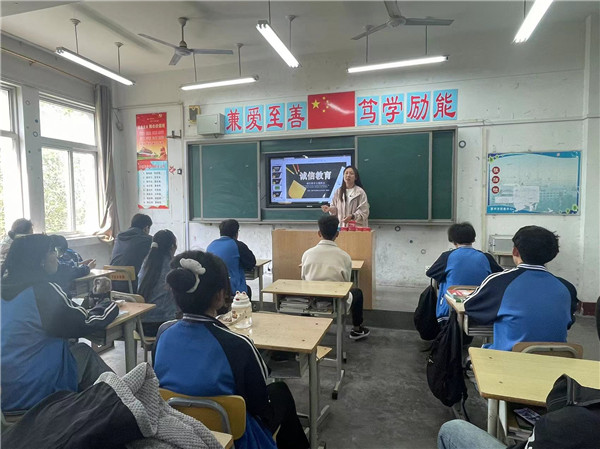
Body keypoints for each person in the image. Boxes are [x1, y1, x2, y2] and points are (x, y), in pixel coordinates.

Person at [154, 251, 309, 449]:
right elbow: (260, 404)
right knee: (280, 392)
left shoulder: (163, 333)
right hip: (234, 437)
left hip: (179, 431)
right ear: (220, 296)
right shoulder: (238, 344)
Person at [1, 234, 118, 412]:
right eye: (52, 251)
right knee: (84, 352)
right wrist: (109, 304)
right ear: (40, 260)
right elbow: (85, 323)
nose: (57, 256)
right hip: (33, 392)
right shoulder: (42, 291)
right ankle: (124, 405)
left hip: (6, 391)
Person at [464, 225, 578, 351]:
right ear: (554, 254)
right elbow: (568, 322)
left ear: (515, 251)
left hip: (508, 358)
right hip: (555, 359)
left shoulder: (500, 281)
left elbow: (471, 308)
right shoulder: (567, 288)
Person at [301, 215, 370, 340]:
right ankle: (357, 329)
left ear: (319, 233)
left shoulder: (307, 254)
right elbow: (346, 283)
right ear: (337, 234)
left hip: (312, 302)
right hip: (336, 303)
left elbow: (303, 279)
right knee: (357, 292)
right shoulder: (344, 257)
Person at [426, 222, 502, 322]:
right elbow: (499, 276)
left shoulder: (447, 257)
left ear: (453, 241)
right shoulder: (486, 257)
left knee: (444, 280)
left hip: (451, 310)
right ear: (473, 239)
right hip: (480, 307)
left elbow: (430, 273)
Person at [137, 229, 179, 337]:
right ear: (172, 247)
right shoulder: (173, 267)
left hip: (141, 327)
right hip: (164, 325)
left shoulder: (146, 264)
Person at [206, 219, 256, 299]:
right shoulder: (238, 245)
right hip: (232, 289)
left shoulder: (211, 245)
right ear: (236, 233)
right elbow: (251, 263)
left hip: (213, 289)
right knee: (247, 290)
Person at [110, 213, 153, 292]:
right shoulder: (148, 240)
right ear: (146, 228)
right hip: (132, 285)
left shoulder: (119, 237)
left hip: (113, 283)